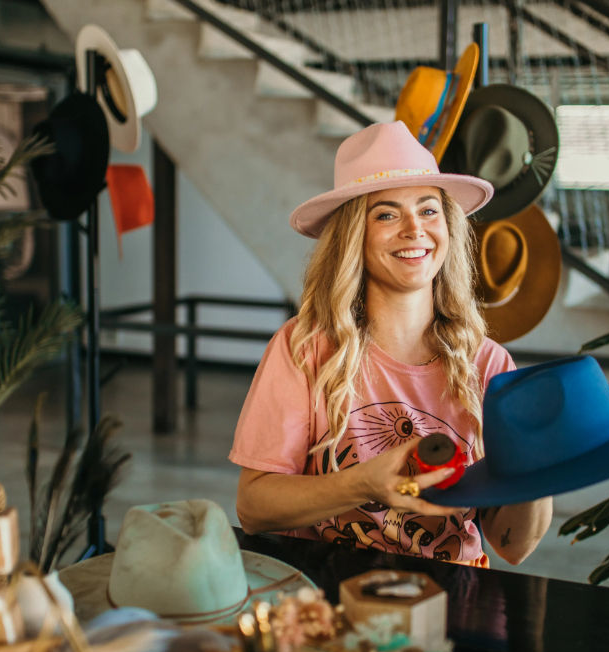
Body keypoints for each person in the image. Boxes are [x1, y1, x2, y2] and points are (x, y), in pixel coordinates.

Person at [229, 121, 552, 566]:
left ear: (448, 227)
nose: (414, 230)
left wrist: (547, 466)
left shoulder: (489, 364)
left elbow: (512, 546)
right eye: (386, 214)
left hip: (449, 600)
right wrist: (362, 484)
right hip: (327, 595)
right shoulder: (304, 347)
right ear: (351, 236)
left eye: (428, 210)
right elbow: (252, 509)